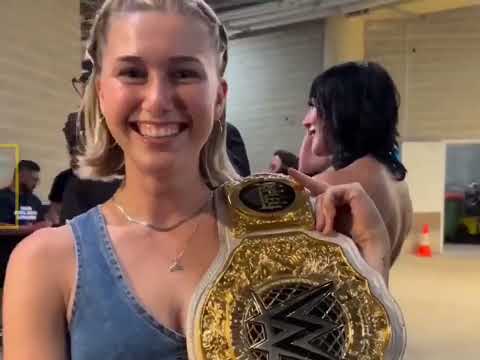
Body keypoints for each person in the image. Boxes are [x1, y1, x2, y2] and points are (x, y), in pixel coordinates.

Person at [3, 2, 393, 358]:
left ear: (219, 96)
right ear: (102, 93)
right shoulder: (47, 264)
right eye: (133, 72)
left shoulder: (288, 237)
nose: (157, 100)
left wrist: (370, 268)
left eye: (184, 73)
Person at [300, 61, 413, 263]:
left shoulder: (333, 186)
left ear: (343, 111)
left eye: (315, 106)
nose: (306, 120)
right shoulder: (396, 183)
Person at [0, 160, 50, 234]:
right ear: (20, 176)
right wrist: (30, 229)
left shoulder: (35, 200)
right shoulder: (2, 197)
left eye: (37, 180)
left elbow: (41, 224)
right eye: (34, 179)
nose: (36, 183)